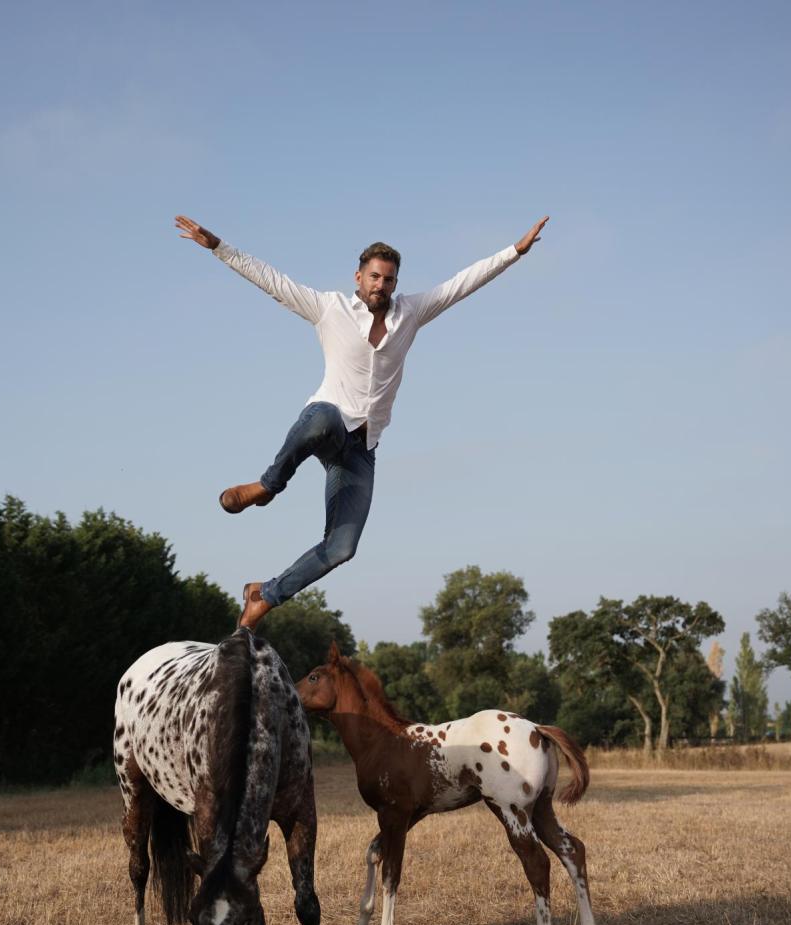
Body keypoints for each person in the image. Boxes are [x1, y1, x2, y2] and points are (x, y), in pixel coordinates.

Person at [175, 213, 549, 629]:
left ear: (395, 283)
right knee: (321, 418)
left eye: (389, 280)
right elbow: (272, 281)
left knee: (342, 548)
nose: (381, 286)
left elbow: (462, 284)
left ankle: (265, 595)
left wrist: (514, 252)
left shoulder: (411, 313)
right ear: (358, 277)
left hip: (361, 449)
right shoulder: (329, 308)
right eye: (374, 277)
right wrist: (219, 247)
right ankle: (267, 486)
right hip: (327, 423)